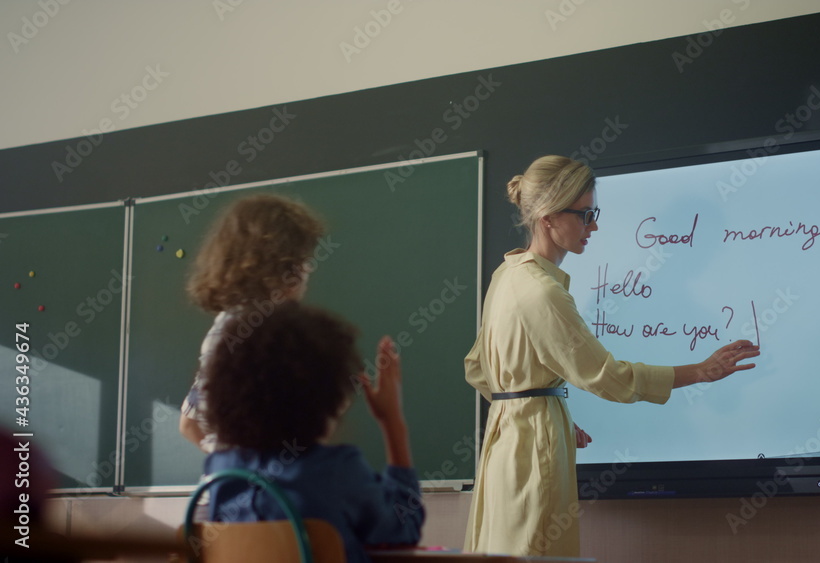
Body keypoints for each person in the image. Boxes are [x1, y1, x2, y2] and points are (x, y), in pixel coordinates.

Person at [463, 155, 760, 557]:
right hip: (533, 454)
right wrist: (701, 371)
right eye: (585, 215)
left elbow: (478, 370)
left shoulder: (506, 276)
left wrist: (537, 411)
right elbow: (608, 376)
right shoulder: (542, 292)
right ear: (549, 217)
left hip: (504, 448)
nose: (594, 226)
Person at [202, 301, 424, 563]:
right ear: (323, 395)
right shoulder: (336, 471)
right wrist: (392, 421)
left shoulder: (220, 472)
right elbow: (405, 525)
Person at [179, 193, 324, 452]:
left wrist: (228, 463)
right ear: (278, 266)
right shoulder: (272, 336)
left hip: (229, 486)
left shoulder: (225, 327)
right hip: (271, 486)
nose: (307, 269)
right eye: (301, 260)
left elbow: (188, 424)